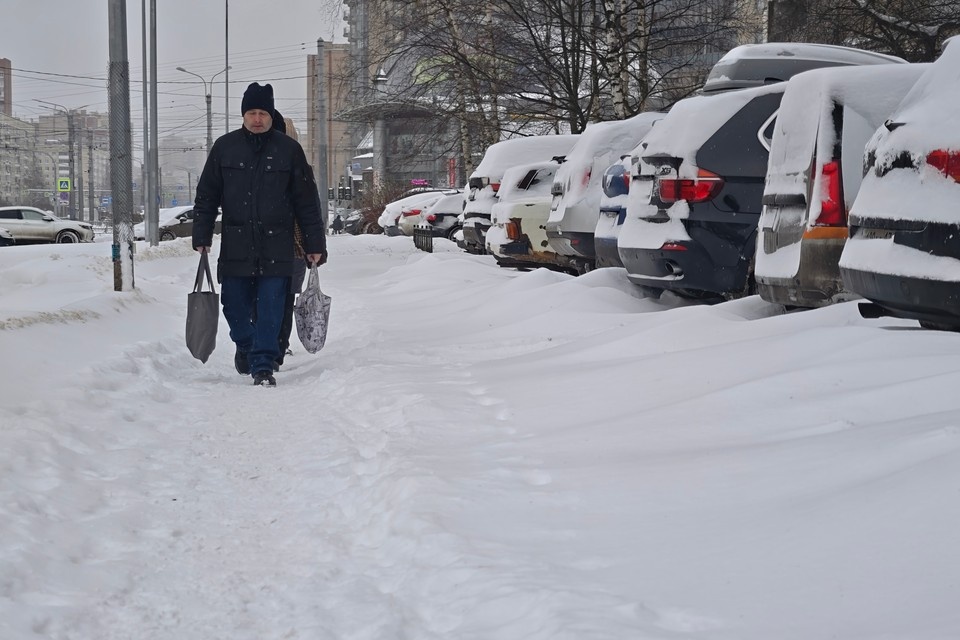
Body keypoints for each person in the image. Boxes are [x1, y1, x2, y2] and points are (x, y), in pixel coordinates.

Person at [192, 82, 327, 386]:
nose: (257, 118)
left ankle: (263, 365)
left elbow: (307, 203)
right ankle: (246, 344)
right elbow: (207, 196)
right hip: (236, 243)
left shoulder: (289, 150)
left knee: (271, 307)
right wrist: (202, 235)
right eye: (251, 112)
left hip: (277, 244)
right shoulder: (225, 148)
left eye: (262, 112)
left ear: (270, 115)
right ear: (243, 115)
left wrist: (314, 244)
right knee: (233, 305)